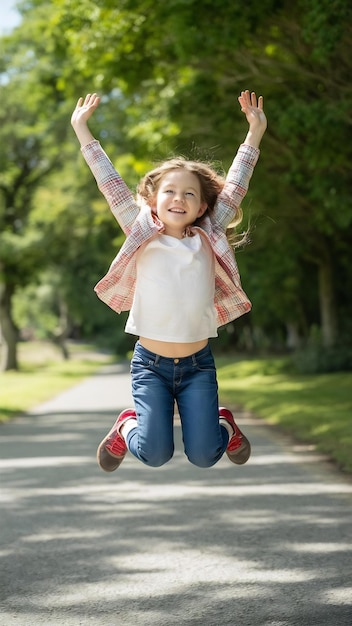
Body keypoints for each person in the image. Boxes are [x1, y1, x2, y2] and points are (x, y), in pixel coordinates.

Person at [71, 89, 267, 472]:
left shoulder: (210, 234)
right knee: (155, 454)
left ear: (203, 206)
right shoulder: (140, 231)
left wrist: (254, 134)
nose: (179, 198)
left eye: (189, 194)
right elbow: (108, 182)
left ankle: (223, 424)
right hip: (150, 365)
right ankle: (127, 425)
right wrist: (82, 129)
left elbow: (238, 183)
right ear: (153, 198)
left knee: (205, 455)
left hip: (198, 364)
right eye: (170, 192)